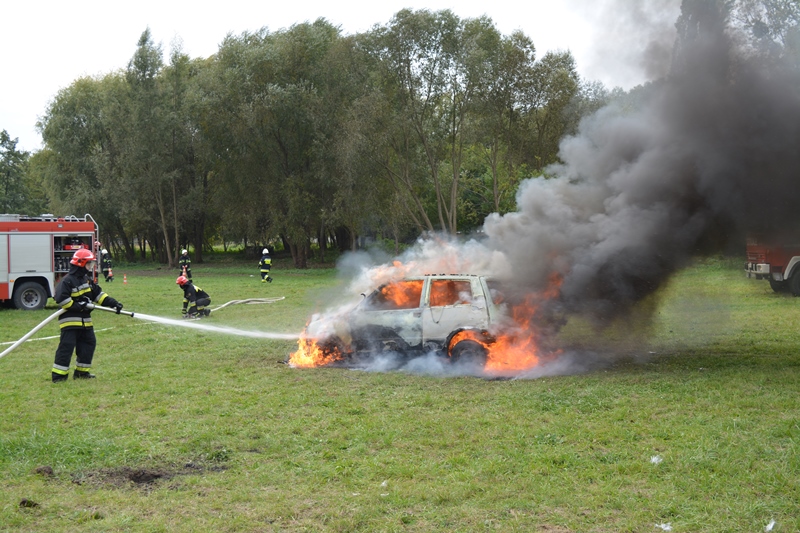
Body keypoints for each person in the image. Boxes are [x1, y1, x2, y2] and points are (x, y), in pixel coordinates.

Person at [52, 249, 124, 382]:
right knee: (66, 347)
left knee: (88, 344)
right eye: (89, 264)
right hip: (70, 322)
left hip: (86, 321)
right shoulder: (67, 281)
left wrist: (113, 303)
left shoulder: (87, 280)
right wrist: (78, 306)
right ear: (81, 264)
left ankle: (82, 373)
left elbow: (98, 295)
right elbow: (61, 299)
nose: (90, 267)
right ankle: (59, 376)